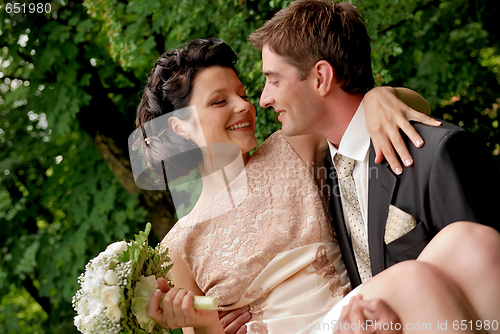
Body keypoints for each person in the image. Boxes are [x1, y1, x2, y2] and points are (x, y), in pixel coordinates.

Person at [134, 38, 441, 334]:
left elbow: (413, 105)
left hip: (363, 318)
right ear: (180, 126)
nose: (244, 106)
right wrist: (207, 327)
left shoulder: (291, 147)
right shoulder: (176, 249)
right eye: (219, 101)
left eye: (242, 94)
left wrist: (378, 98)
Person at [246, 0, 500, 332]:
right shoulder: (322, 176)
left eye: (274, 80)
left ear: (321, 77)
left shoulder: (436, 155)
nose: (264, 98)